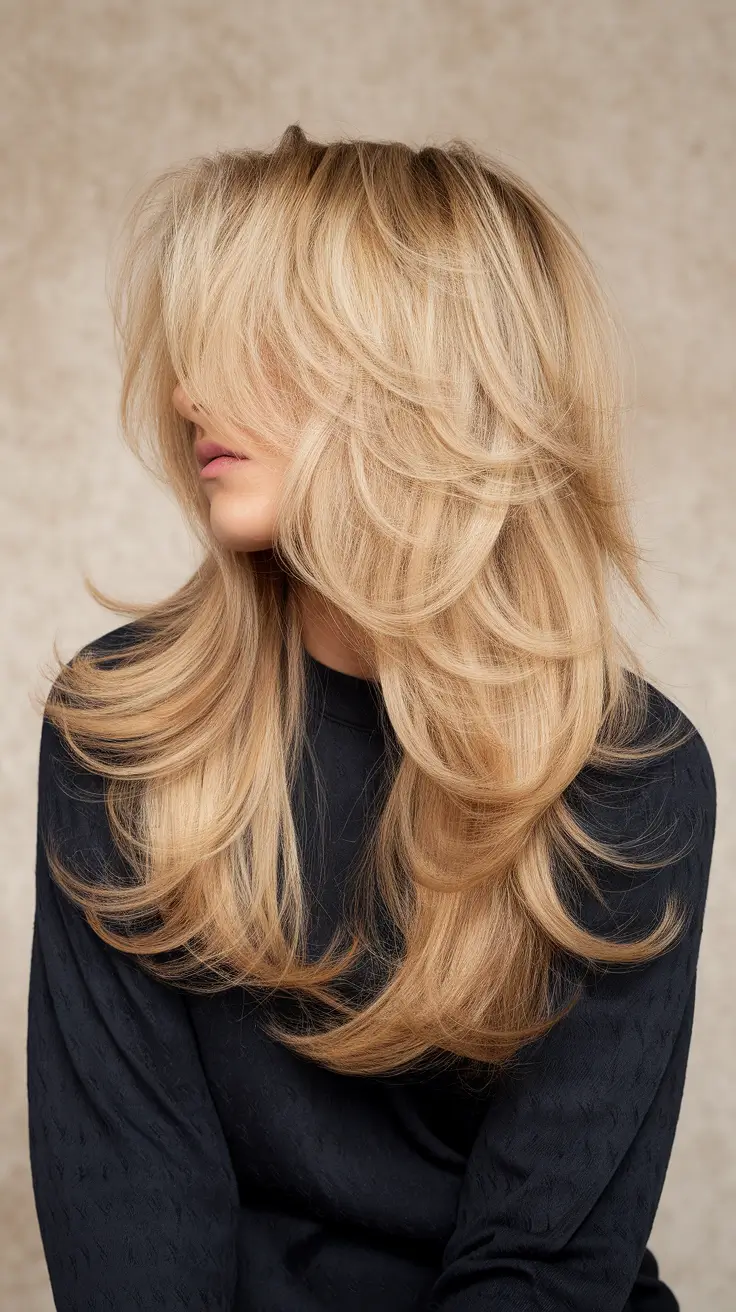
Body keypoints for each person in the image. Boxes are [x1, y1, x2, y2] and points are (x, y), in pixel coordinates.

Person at [27, 124, 717, 1312]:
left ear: (419, 379)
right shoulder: (124, 730)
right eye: (192, 352)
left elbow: (537, 1270)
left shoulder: (630, 782)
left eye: (251, 342)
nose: (188, 393)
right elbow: (131, 1220)